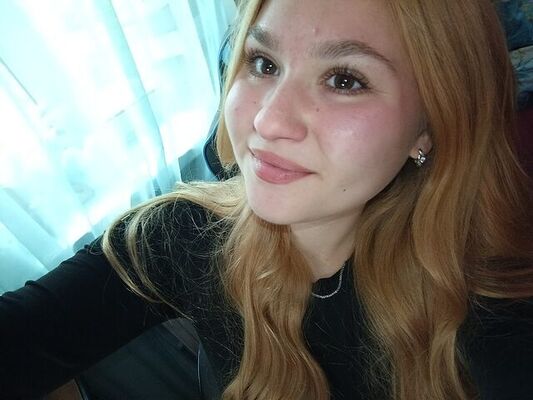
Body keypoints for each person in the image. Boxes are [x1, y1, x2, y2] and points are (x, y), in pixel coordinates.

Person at [1, 0, 533, 399]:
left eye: (344, 80)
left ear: (431, 126)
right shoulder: (184, 233)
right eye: (263, 63)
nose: (267, 120)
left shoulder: (492, 313)